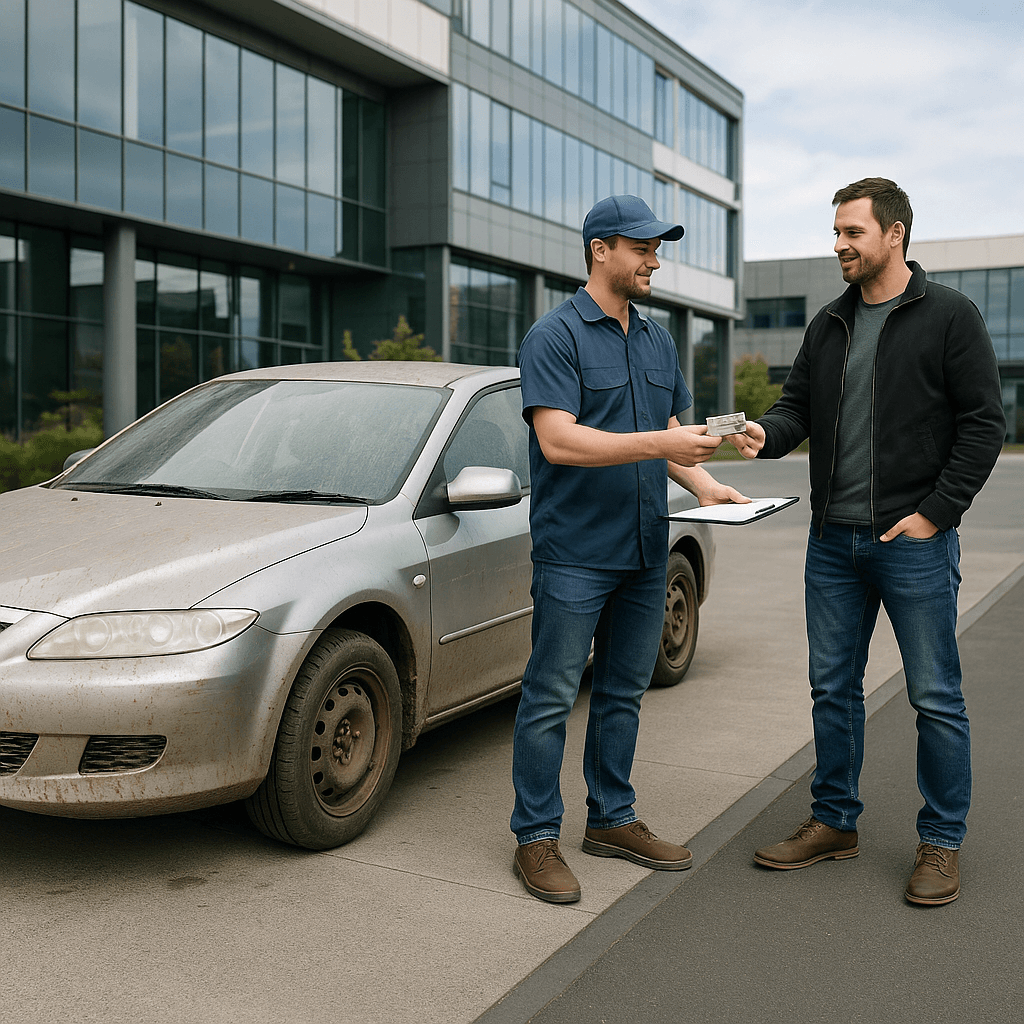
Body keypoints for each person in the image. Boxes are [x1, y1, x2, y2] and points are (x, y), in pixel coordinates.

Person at [728, 178, 1005, 905]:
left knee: (936, 696)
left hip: (911, 541)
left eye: (853, 232)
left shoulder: (950, 316)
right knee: (832, 690)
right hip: (833, 546)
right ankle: (834, 822)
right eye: (837, 233)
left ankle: (941, 843)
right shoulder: (829, 323)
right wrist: (766, 434)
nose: (840, 245)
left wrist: (937, 513)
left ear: (895, 233)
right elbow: (796, 408)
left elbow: (984, 425)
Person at [511, 194, 748, 904]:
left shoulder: (655, 339)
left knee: (623, 694)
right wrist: (664, 444)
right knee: (551, 697)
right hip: (576, 554)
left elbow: (671, 431)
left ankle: (611, 819)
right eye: (643, 248)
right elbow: (558, 439)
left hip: (646, 549)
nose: (654, 260)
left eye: (657, 248)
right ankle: (535, 836)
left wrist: (706, 485)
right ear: (600, 251)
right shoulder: (552, 336)